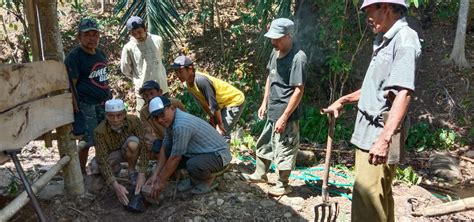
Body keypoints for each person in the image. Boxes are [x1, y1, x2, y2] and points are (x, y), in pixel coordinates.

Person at [323, 1, 421, 221]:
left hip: (380, 131)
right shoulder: (384, 41)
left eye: (369, 12)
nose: (367, 19)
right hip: (372, 131)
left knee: (367, 199)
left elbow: (403, 93)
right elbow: (377, 87)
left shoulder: (404, 40)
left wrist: (384, 139)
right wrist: (344, 99)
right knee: (379, 199)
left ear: (385, 8)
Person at [241, 18, 306, 196]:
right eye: (272, 38)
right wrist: (264, 102)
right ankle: (260, 174)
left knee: (285, 147)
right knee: (265, 142)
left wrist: (284, 117)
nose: (273, 42)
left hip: (287, 112)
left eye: (277, 38)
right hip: (273, 108)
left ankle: (283, 184)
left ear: (288, 36)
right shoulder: (275, 51)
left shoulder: (298, 58)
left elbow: (299, 90)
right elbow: (270, 76)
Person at [145, 96, 231, 197]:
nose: (160, 120)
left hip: (219, 155)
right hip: (202, 152)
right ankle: (194, 179)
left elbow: (175, 158)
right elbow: (164, 148)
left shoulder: (181, 125)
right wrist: (155, 175)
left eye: (162, 114)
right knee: (166, 149)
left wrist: (161, 181)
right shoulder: (171, 121)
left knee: (192, 164)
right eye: (156, 118)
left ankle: (208, 179)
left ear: (172, 108)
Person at [64, 18, 112, 174]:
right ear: (79, 37)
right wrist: (76, 109)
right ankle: (81, 172)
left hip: (103, 103)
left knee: (103, 138)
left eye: (95, 34)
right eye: (88, 35)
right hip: (86, 104)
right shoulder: (75, 57)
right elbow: (71, 85)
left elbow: (103, 77)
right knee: (86, 141)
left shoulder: (100, 54)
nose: (92, 38)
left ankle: (101, 168)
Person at [171, 55, 245, 143]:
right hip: (221, 104)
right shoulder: (188, 84)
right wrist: (212, 117)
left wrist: (220, 124)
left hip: (233, 101)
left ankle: (225, 154)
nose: (178, 75)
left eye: (180, 71)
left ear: (190, 69)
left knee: (221, 133)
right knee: (212, 131)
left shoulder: (200, 81)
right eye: (176, 72)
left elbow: (213, 105)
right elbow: (204, 103)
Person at [94, 99, 149, 206]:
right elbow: (102, 159)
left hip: (129, 149)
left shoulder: (133, 121)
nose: (115, 119)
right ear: (106, 116)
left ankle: (132, 171)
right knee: (96, 167)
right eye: (111, 116)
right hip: (113, 154)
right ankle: (114, 172)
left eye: (119, 115)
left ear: (124, 114)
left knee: (134, 144)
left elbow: (144, 146)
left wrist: (142, 173)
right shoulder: (99, 131)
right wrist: (115, 185)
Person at [120, 16, 170, 111]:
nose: (138, 36)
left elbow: (159, 56)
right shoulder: (129, 48)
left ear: (145, 28)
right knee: (143, 118)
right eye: (133, 34)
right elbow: (125, 70)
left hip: (161, 86)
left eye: (139, 32)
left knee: (166, 113)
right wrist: (138, 78)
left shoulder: (157, 40)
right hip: (143, 91)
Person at [138, 80, 186, 159]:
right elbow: (148, 132)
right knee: (155, 147)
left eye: (152, 94)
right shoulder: (144, 112)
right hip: (163, 141)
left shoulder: (174, 103)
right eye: (146, 95)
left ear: (160, 92)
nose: (150, 98)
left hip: (181, 137)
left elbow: (185, 121)